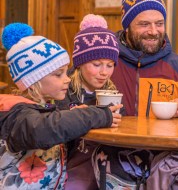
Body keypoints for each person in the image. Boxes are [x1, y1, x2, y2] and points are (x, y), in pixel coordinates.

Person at [0, 23, 122, 189]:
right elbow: (44, 129)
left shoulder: (43, 108)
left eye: (65, 72)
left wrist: (74, 115)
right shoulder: (16, 112)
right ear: (34, 80)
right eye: (58, 74)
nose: (67, 79)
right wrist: (97, 115)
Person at [111, 0, 178, 117]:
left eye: (159, 24)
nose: (153, 31)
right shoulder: (106, 62)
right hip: (110, 139)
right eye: (144, 24)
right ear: (127, 27)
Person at [56, 14, 120, 190]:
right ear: (80, 63)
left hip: (105, 161)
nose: (104, 72)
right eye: (97, 64)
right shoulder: (63, 92)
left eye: (110, 65)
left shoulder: (112, 92)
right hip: (71, 165)